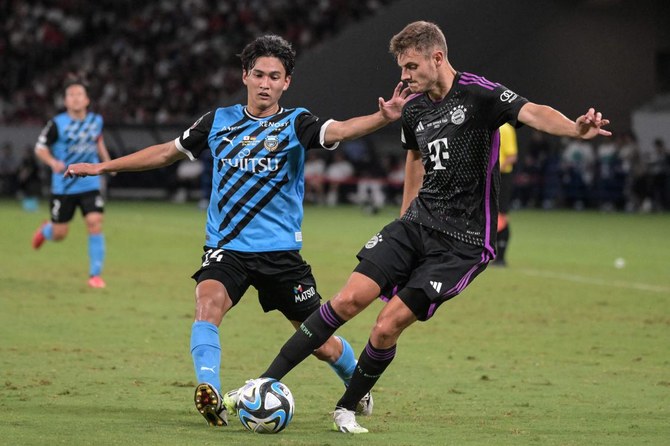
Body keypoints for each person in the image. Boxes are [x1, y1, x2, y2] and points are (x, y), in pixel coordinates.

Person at [245, 21, 611, 434]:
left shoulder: (479, 94)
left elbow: (533, 112)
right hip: (416, 224)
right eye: (402, 67)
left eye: (411, 66)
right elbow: (414, 158)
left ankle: (346, 406)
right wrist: (403, 217)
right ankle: (263, 381)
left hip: (463, 243)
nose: (404, 76)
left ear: (437, 58)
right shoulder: (414, 108)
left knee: (387, 326)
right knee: (347, 301)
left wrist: (575, 129)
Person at [64, 35, 409, 427]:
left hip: (280, 255)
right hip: (226, 249)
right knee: (207, 305)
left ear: (286, 83)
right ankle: (208, 390)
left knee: (322, 344)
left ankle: (357, 385)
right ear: (244, 76)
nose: (265, 83)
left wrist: (383, 117)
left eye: (274, 77)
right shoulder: (217, 122)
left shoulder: (297, 123)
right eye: (258, 74)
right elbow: (164, 152)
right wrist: (102, 167)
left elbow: (342, 130)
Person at [31, 78, 114, 288]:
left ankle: (95, 275)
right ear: (65, 101)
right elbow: (40, 148)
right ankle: (46, 230)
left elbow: (99, 143)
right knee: (60, 234)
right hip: (64, 186)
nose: (75, 98)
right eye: (71, 95)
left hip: (90, 184)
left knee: (95, 223)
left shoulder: (96, 120)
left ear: (87, 100)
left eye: (79, 94)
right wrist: (52, 162)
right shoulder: (57, 124)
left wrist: (109, 164)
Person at [491, 123, 518, 266]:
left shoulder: (505, 128)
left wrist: (494, 170)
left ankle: (501, 257)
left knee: (501, 216)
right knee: (491, 215)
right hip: (490, 177)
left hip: (502, 176)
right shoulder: (488, 125)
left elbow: (512, 156)